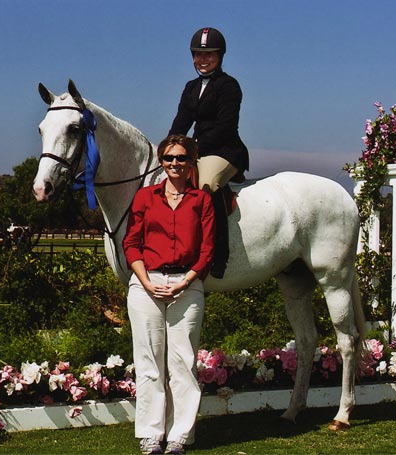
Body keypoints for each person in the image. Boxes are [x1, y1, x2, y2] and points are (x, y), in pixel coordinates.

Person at [123, 134, 215, 455]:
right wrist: (146, 281)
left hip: (186, 286)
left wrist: (185, 282)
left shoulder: (201, 200)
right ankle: (150, 435)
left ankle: (179, 436)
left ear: (192, 162)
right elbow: (131, 243)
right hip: (146, 284)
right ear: (161, 162)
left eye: (182, 158)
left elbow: (207, 250)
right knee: (148, 363)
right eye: (169, 158)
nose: (175, 164)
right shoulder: (145, 197)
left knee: (182, 363)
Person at [169, 27, 249, 279]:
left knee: (206, 183)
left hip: (225, 150)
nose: (203, 60)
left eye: (209, 55)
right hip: (197, 149)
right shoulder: (191, 87)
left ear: (220, 56)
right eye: (198, 55)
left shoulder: (229, 86)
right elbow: (181, 121)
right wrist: (170, 147)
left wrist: (191, 149)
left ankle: (218, 256)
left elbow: (226, 127)